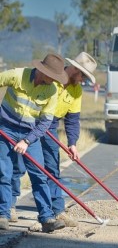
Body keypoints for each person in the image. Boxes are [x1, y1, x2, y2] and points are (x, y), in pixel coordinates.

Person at [10, 52, 97, 228]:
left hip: (51, 126)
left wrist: (72, 143)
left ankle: (57, 210)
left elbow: (72, 119)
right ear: (74, 69)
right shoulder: (51, 77)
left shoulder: (76, 90)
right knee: (18, 164)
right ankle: (9, 205)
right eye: (82, 76)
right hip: (31, 121)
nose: (83, 80)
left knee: (52, 167)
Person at [0, 54, 68, 232]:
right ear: (42, 70)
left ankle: (46, 218)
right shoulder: (17, 75)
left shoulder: (51, 91)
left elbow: (45, 122)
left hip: (31, 134)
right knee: (4, 173)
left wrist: (27, 140)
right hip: (5, 128)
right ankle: (3, 215)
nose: (53, 80)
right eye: (51, 76)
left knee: (39, 175)